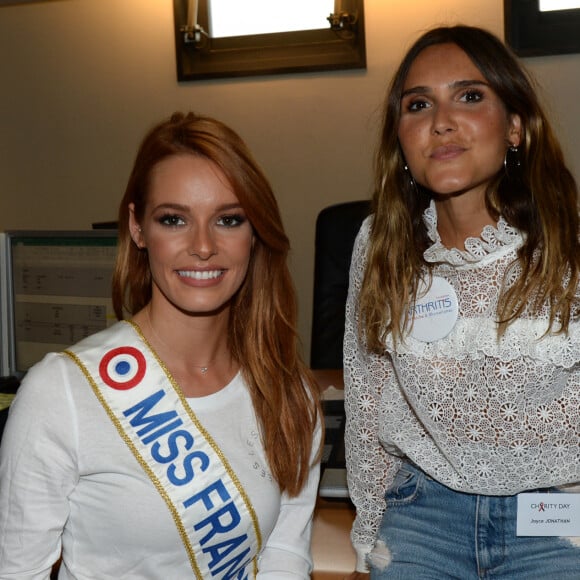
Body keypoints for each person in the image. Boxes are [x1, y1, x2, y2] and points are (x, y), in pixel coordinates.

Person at [0, 112, 322, 579]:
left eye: (229, 219)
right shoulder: (63, 392)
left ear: (254, 234)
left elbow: (284, 555)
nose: (203, 246)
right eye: (174, 219)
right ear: (137, 228)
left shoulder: (288, 392)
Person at [343, 25, 579, 579]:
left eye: (469, 96)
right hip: (422, 514)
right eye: (418, 105)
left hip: (555, 513)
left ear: (516, 127)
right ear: (401, 139)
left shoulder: (571, 244)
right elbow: (368, 402)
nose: (441, 122)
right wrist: (366, 533)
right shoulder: (380, 243)